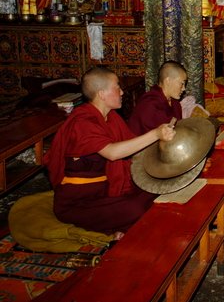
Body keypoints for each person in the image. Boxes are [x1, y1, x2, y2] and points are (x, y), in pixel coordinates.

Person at [43, 67, 176, 236]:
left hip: (107, 191)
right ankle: (119, 229)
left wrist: (175, 159)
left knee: (158, 190)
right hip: (78, 202)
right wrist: (155, 134)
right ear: (101, 94)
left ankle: (122, 227)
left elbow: (135, 149)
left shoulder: (111, 117)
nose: (121, 92)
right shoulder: (82, 122)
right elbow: (112, 153)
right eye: (117, 87)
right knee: (135, 209)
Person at [128, 61, 187, 136]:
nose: (184, 88)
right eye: (182, 83)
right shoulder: (149, 105)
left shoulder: (175, 103)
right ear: (168, 81)